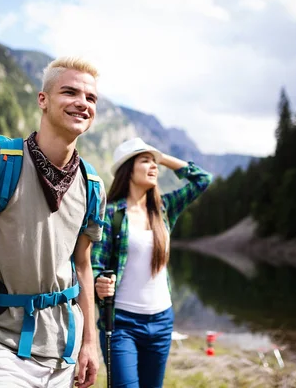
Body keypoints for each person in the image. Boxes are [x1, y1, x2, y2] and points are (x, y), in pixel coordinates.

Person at [0, 57, 106, 388]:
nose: (82, 103)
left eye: (91, 98)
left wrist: (89, 343)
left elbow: (83, 266)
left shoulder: (92, 185)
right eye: (70, 92)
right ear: (43, 99)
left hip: (63, 349)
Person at [91, 137, 213, 387]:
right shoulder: (112, 214)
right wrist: (99, 281)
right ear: (128, 170)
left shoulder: (164, 208)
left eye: (154, 162)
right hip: (121, 323)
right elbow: (95, 264)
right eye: (145, 161)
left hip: (161, 321)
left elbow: (203, 180)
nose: (153, 166)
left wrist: (161, 157)